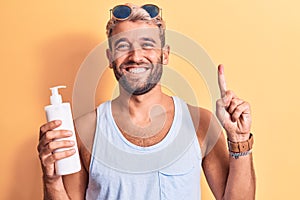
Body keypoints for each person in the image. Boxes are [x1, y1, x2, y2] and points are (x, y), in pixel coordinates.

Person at [38, 3, 255, 200]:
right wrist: (51, 180)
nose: (136, 56)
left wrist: (239, 138)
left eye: (147, 44)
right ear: (110, 58)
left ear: (165, 54)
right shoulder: (85, 129)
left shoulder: (200, 122)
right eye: (123, 46)